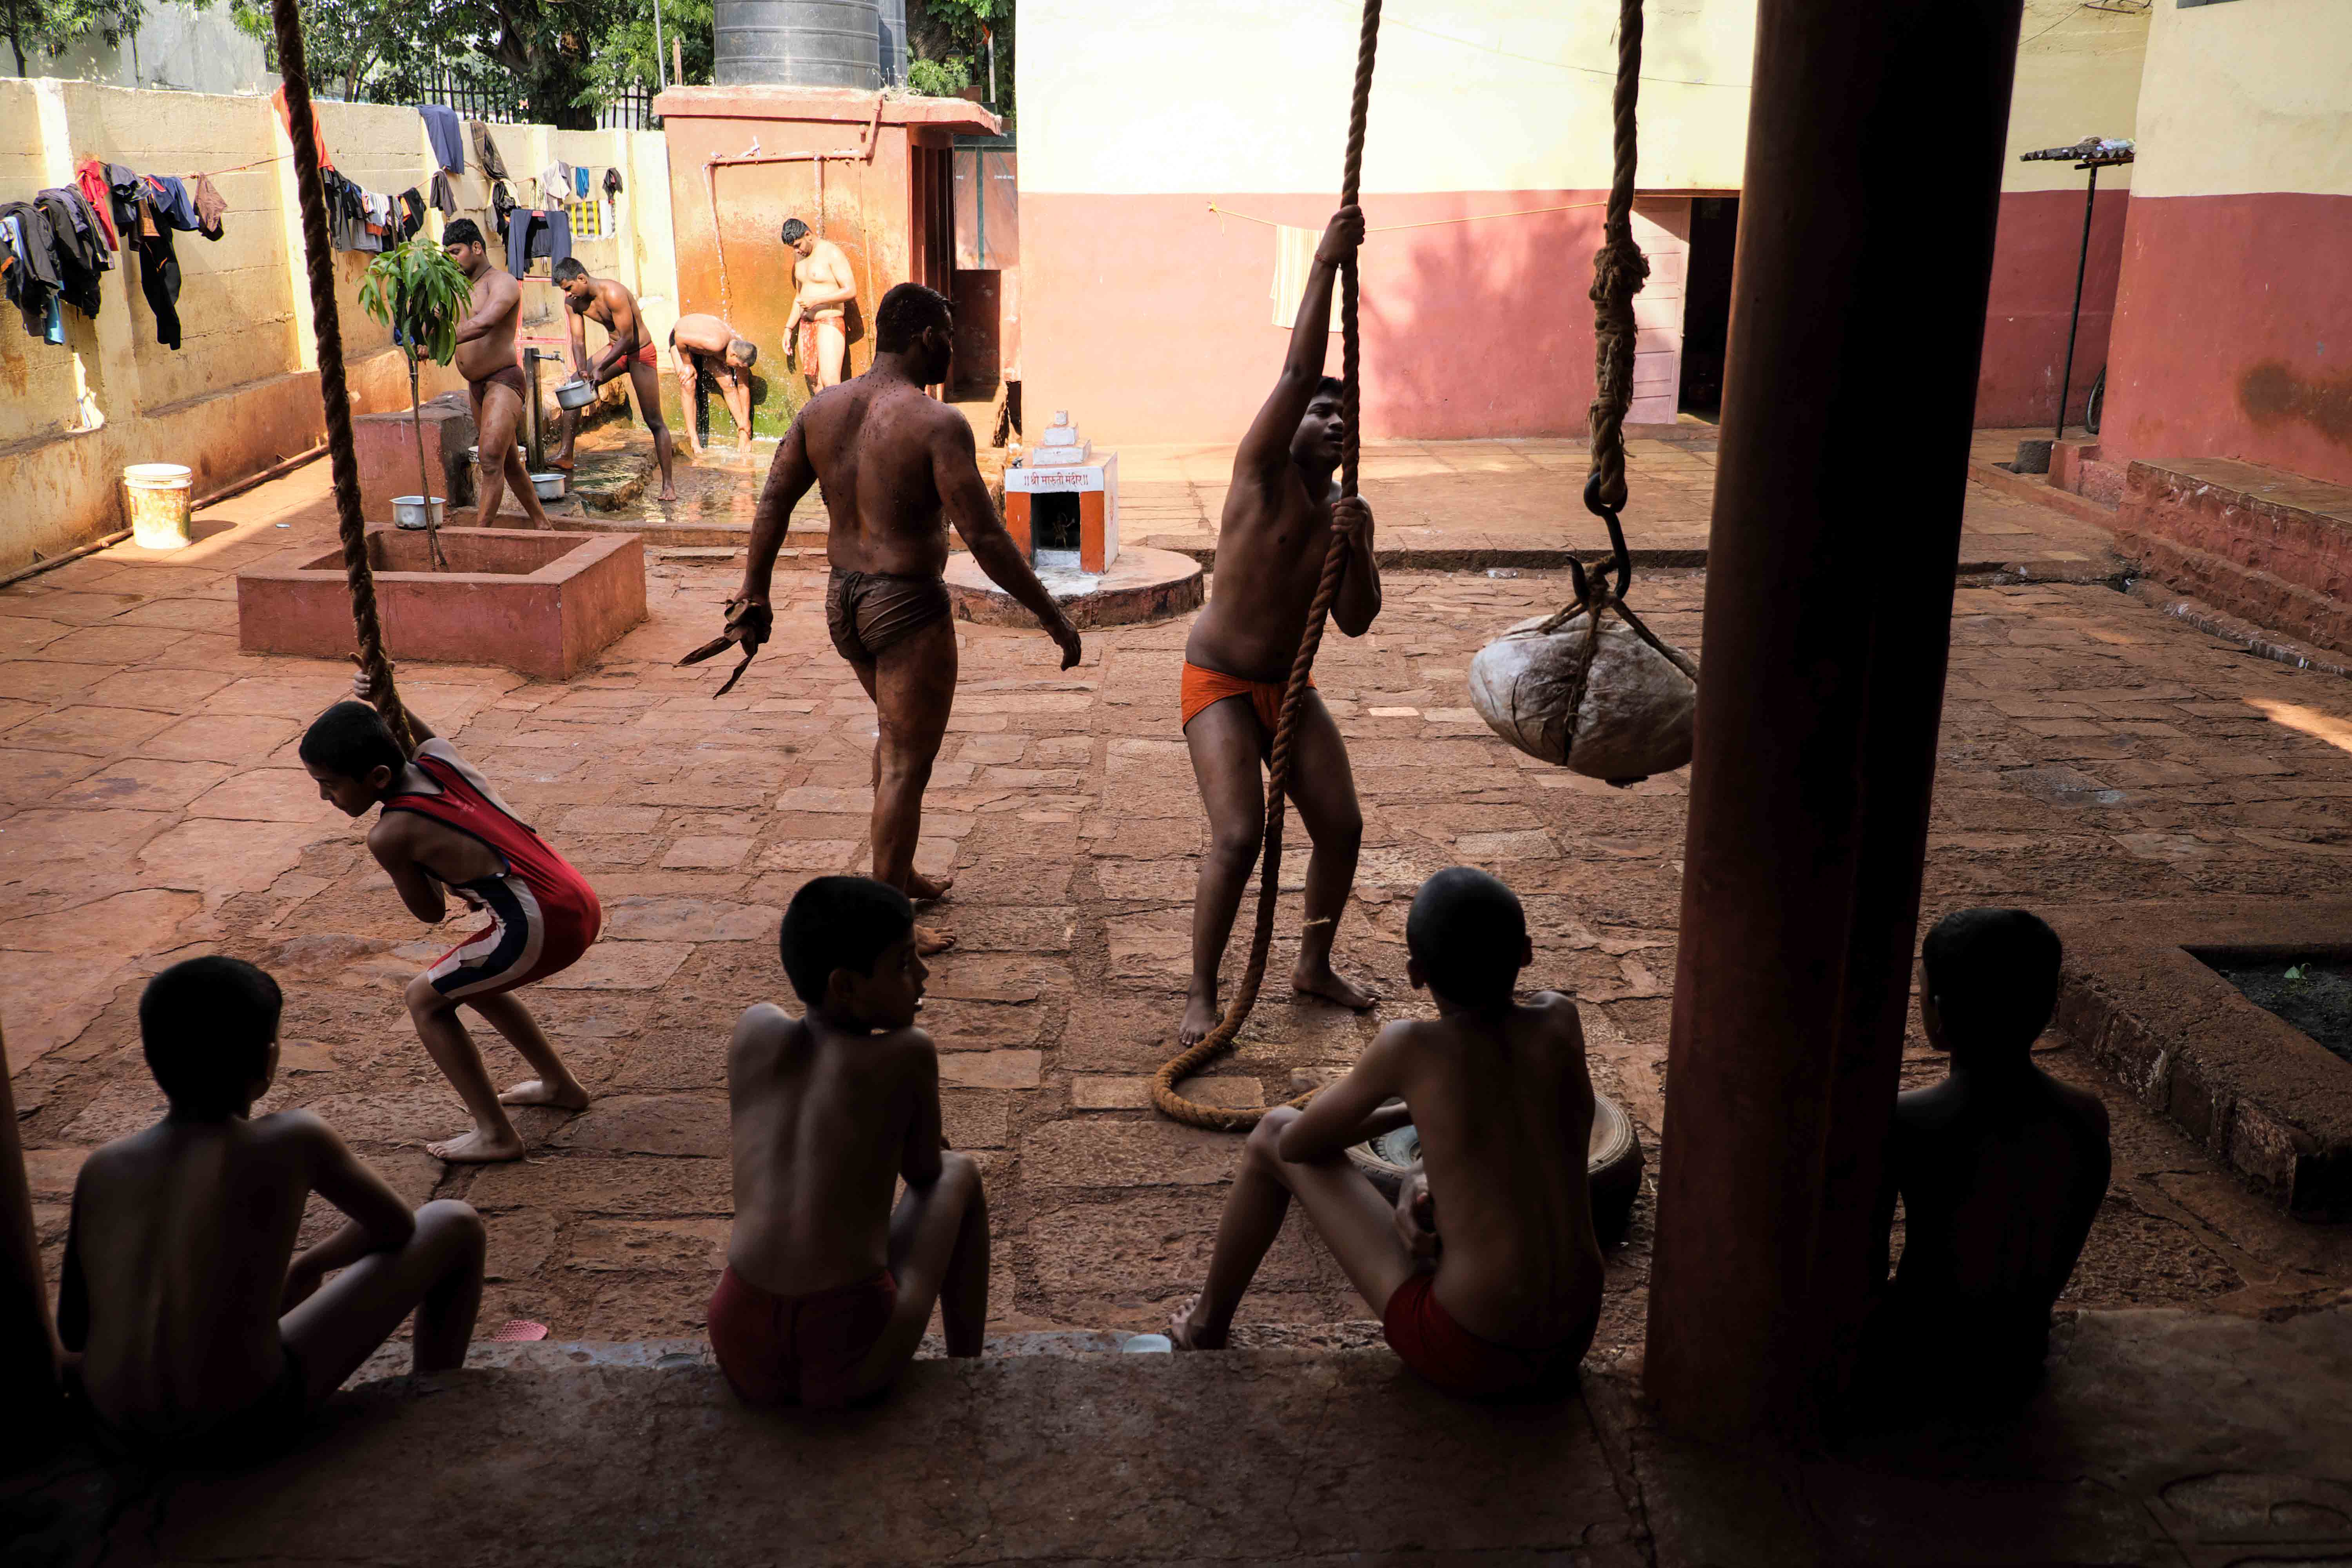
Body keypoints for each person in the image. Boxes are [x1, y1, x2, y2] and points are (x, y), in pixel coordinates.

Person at [721, 282, 1082, 956]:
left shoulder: (823, 409)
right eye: (948, 334)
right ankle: (890, 930)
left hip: (844, 604)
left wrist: (755, 591)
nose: (955, 345)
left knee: (894, 746)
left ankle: (901, 871)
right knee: (905, 765)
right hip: (906, 605)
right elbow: (987, 537)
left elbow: (772, 501)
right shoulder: (936, 423)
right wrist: (1052, 614)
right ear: (925, 339)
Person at [1170, 868, 1603, 1402]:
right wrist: (1420, 1148)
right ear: (1527, 954)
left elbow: (1298, 1146)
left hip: (1471, 1350)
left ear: (1416, 974)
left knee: (1271, 1131)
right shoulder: (1562, 1020)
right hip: (1574, 1338)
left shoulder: (1411, 1048)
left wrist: (1405, 1112)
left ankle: (1205, 1326)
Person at [58, 956, 485, 1458]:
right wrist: (309, 1265)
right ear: (268, 1058)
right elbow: (395, 1228)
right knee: (453, 1222)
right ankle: (433, 1397)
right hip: (243, 1420)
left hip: (117, 1424)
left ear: (153, 1058)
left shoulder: (103, 1166)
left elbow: (74, 1327)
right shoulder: (293, 1137)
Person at [1178, 205, 1381, 1049]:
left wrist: (1360, 544)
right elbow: (1299, 367)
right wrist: (1326, 265)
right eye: (1320, 410)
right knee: (1239, 834)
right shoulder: (1258, 473)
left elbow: (1359, 620)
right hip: (1221, 682)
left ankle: (1313, 961)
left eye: (1345, 412)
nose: (1332, 419)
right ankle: (1200, 989)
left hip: (1287, 690)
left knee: (1343, 826)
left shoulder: (1339, 508)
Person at [710, 876, 989, 1408]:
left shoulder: (753, 1030)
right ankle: (968, 1371)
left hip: (740, 1338)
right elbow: (926, 1172)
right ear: (845, 987)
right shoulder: (907, 1053)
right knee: (961, 1173)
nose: (924, 974)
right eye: (904, 964)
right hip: (847, 1349)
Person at [300, 674, 600, 1163]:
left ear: (377, 779)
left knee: (425, 1000)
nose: (324, 798)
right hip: (574, 895)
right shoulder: (441, 756)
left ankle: (496, 1134)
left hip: (539, 923)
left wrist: (413, 861)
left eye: (329, 786)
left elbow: (429, 911)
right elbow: (411, 732)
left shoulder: (390, 834)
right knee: (468, 980)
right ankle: (560, 1085)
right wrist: (383, 693)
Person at [1866, 907, 2112, 1412]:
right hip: (2022, 1350)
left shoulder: (1907, 1121)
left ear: (1937, 1011)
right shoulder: (2086, 1117)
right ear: (2046, 1006)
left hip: (1924, 1357)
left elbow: (1862, 1266)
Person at [443, 218, 555, 531]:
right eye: (448, 254)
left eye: (456, 252)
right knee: (508, 464)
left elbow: (486, 322)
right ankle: (543, 525)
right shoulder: (457, 289)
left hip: (503, 381)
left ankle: (481, 534)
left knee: (490, 459)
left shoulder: (502, 282)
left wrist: (445, 339)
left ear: (477, 248)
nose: (452, 259)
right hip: (476, 386)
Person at [550, 256, 677, 502]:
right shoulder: (573, 303)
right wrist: (583, 369)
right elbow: (578, 340)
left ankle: (668, 486)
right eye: (565, 291)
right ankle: (566, 454)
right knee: (575, 384)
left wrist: (602, 367)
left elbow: (628, 338)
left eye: (569, 288)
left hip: (639, 352)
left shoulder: (614, 294)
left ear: (582, 279)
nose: (568, 295)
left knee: (655, 421)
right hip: (614, 350)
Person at [781, 218, 855, 390]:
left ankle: (841, 417)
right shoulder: (799, 256)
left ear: (808, 235)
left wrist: (816, 300)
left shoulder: (831, 253)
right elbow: (799, 295)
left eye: (798, 245)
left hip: (829, 322)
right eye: (793, 247)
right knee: (814, 384)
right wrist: (789, 328)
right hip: (806, 323)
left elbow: (850, 291)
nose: (797, 251)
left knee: (831, 383)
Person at [671, 312, 759, 457]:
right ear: (733, 355)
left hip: (703, 348)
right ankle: (693, 439)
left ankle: (742, 433)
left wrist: (746, 425)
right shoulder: (716, 344)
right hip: (681, 341)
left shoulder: (741, 351)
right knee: (688, 383)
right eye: (737, 366)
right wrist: (687, 364)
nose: (737, 369)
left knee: (728, 383)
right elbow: (680, 338)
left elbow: (743, 388)